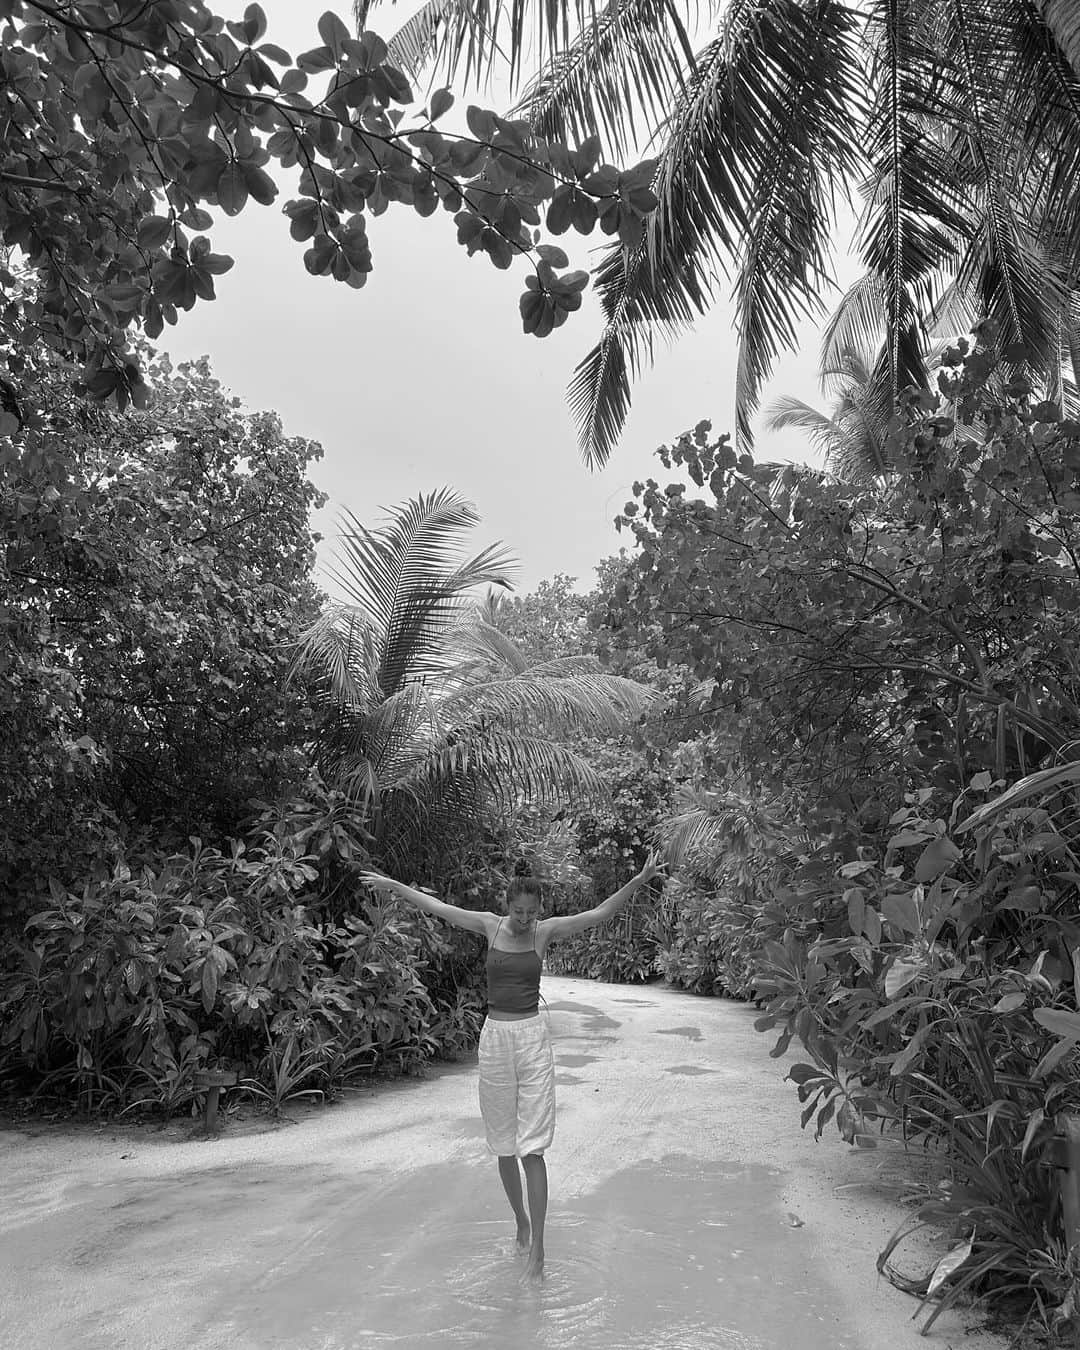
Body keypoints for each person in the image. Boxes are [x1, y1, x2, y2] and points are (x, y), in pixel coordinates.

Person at [359, 851, 665, 1283]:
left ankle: (538, 1247)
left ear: (540, 911)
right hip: (495, 1040)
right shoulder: (489, 924)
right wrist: (394, 886)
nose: (524, 920)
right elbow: (438, 908)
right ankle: (520, 1220)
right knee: (503, 1146)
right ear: (507, 907)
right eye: (518, 912)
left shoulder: (544, 932)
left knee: (531, 1147)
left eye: (531, 913)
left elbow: (600, 912)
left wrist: (638, 879)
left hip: (532, 1039)